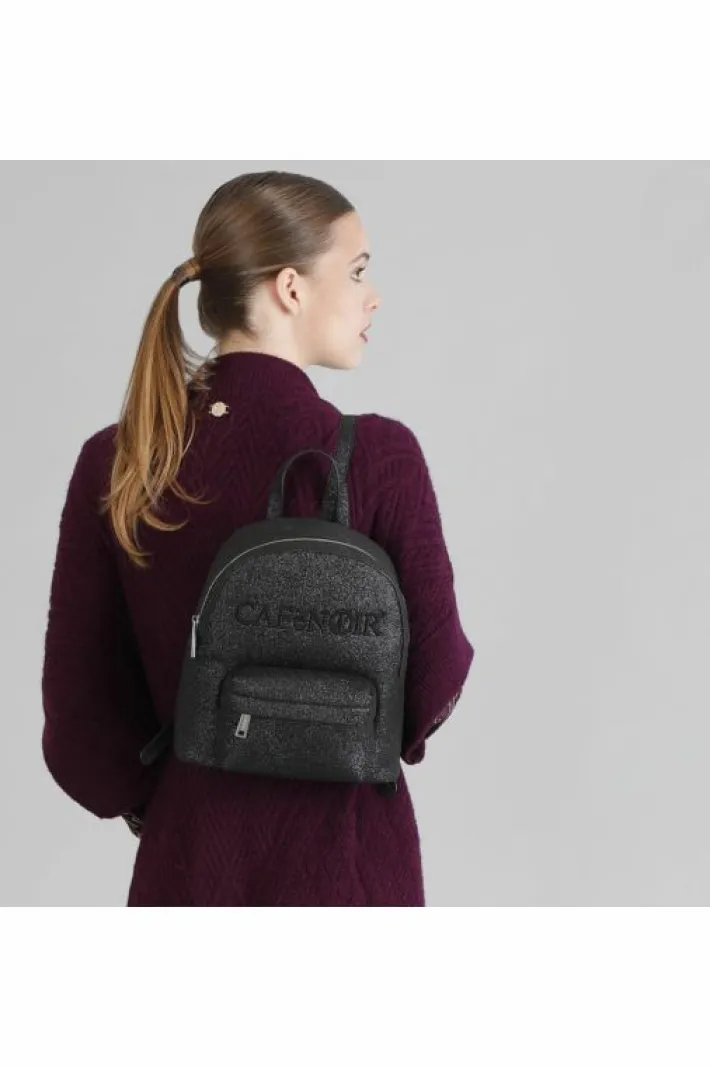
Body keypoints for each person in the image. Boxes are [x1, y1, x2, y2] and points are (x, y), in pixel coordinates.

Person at [40, 169, 475, 906]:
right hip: (353, 874)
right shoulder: (379, 458)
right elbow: (435, 682)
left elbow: (82, 731)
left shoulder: (122, 459)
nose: (372, 296)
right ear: (290, 288)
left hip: (189, 864)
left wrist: (176, 795)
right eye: (357, 271)